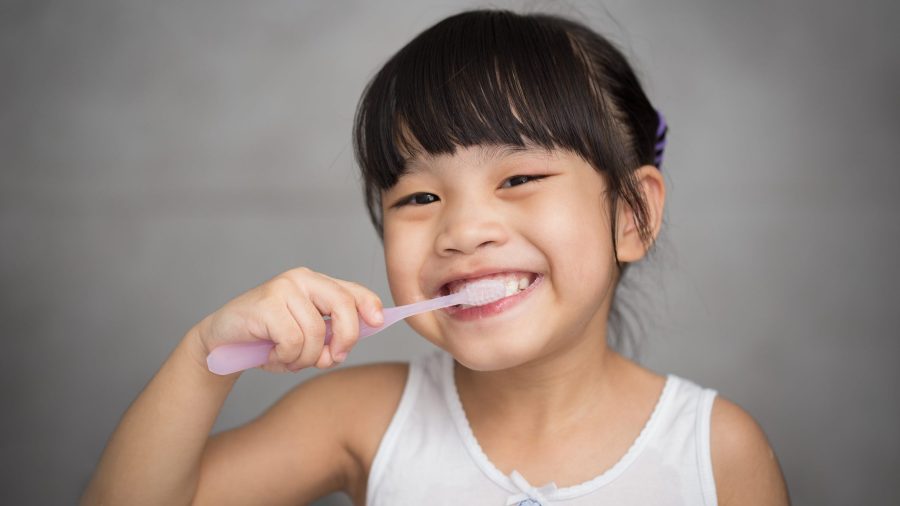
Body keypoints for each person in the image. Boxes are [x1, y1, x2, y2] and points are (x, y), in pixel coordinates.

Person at [82, 9, 790, 505]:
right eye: (418, 198)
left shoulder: (716, 452)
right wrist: (202, 355)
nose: (463, 229)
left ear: (632, 216)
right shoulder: (358, 417)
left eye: (518, 179)